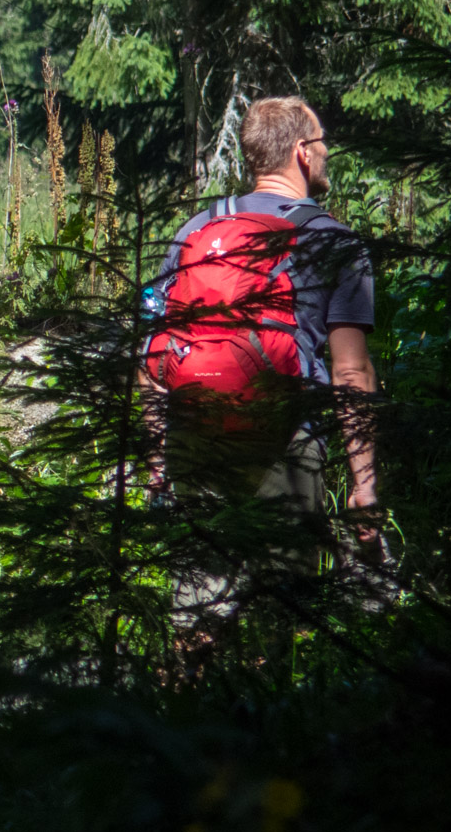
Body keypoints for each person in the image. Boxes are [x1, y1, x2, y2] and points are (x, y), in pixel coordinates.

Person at [140, 97, 381, 625]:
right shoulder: (334, 239)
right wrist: (364, 486)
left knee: (196, 611)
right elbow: (350, 373)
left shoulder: (196, 229)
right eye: (321, 143)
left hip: (195, 430)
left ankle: (180, 698)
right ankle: (262, 700)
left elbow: (151, 357)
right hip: (284, 437)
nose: (326, 152)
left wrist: (158, 460)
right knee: (278, 615)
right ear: (301, 152)